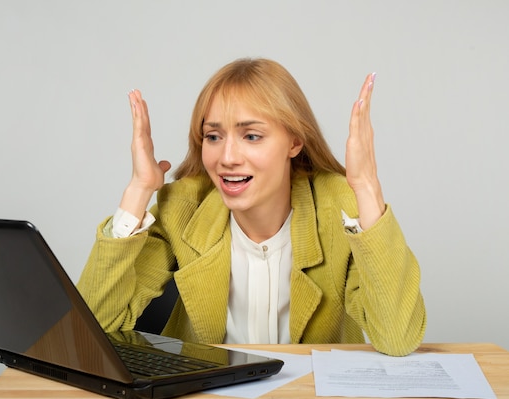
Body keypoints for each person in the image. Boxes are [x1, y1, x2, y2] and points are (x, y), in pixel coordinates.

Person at [77, 57, 426, 357]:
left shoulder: (339, 209)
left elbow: (397, 339)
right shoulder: (183, 208)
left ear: (294, 141)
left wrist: (366, 187)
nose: (227, 158)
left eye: (251, 136)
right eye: (213, 137)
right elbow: (92, 330)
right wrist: (139, 190)